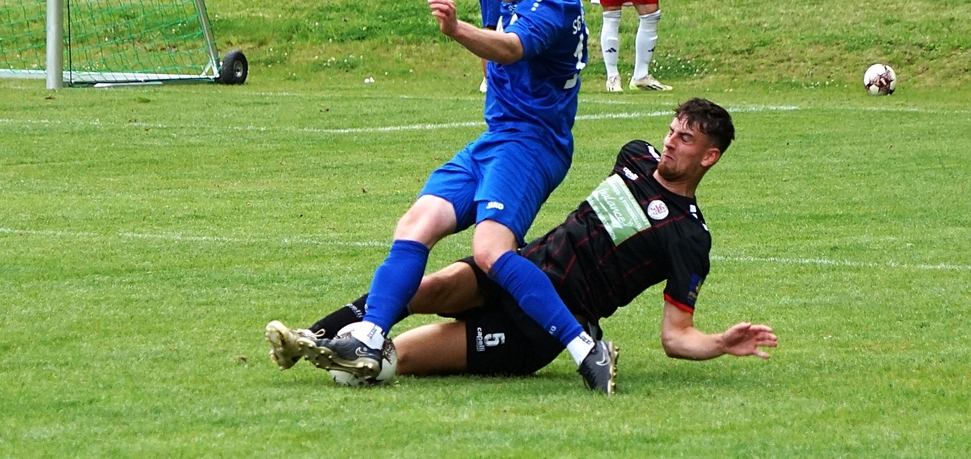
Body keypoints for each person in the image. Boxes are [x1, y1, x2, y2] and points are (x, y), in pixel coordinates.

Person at [290, 0, 611, 392]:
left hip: (533, 145)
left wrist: (458, 30)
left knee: (489, 251)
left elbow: (509, 48)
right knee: (419, 221)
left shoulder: (553, 11)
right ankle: (369, 335)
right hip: (496, 139)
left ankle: (585, 348)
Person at [267, 98, 778, 391]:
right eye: (671, 131)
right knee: (423, 288)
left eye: (685, 139)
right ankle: (309, 337)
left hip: (541, 327)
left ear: (709, 157)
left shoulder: (689, 236)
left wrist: (718, 344)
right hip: (516, 268)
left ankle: (344, 355)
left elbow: (675, 336)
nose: (669, 142)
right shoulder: (635, 156)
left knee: (399, 358)